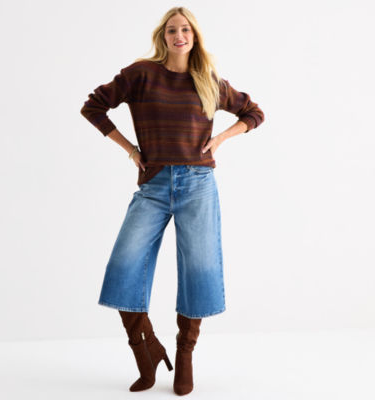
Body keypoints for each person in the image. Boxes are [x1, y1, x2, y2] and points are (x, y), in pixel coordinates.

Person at [80, 6, 265, 396]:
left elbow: (253, 112)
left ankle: (185, 355)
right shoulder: (141, 74)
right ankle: (145, 349)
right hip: (153, 184)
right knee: (124, 267)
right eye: (171, 30)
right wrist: (131, 149)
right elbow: (93, 106)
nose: (178, 36)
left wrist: (220, 138)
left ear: (194, 36)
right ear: (162, 37)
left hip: (198, 183)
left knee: (199, 270)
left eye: (185, 30)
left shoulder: (209, 81)